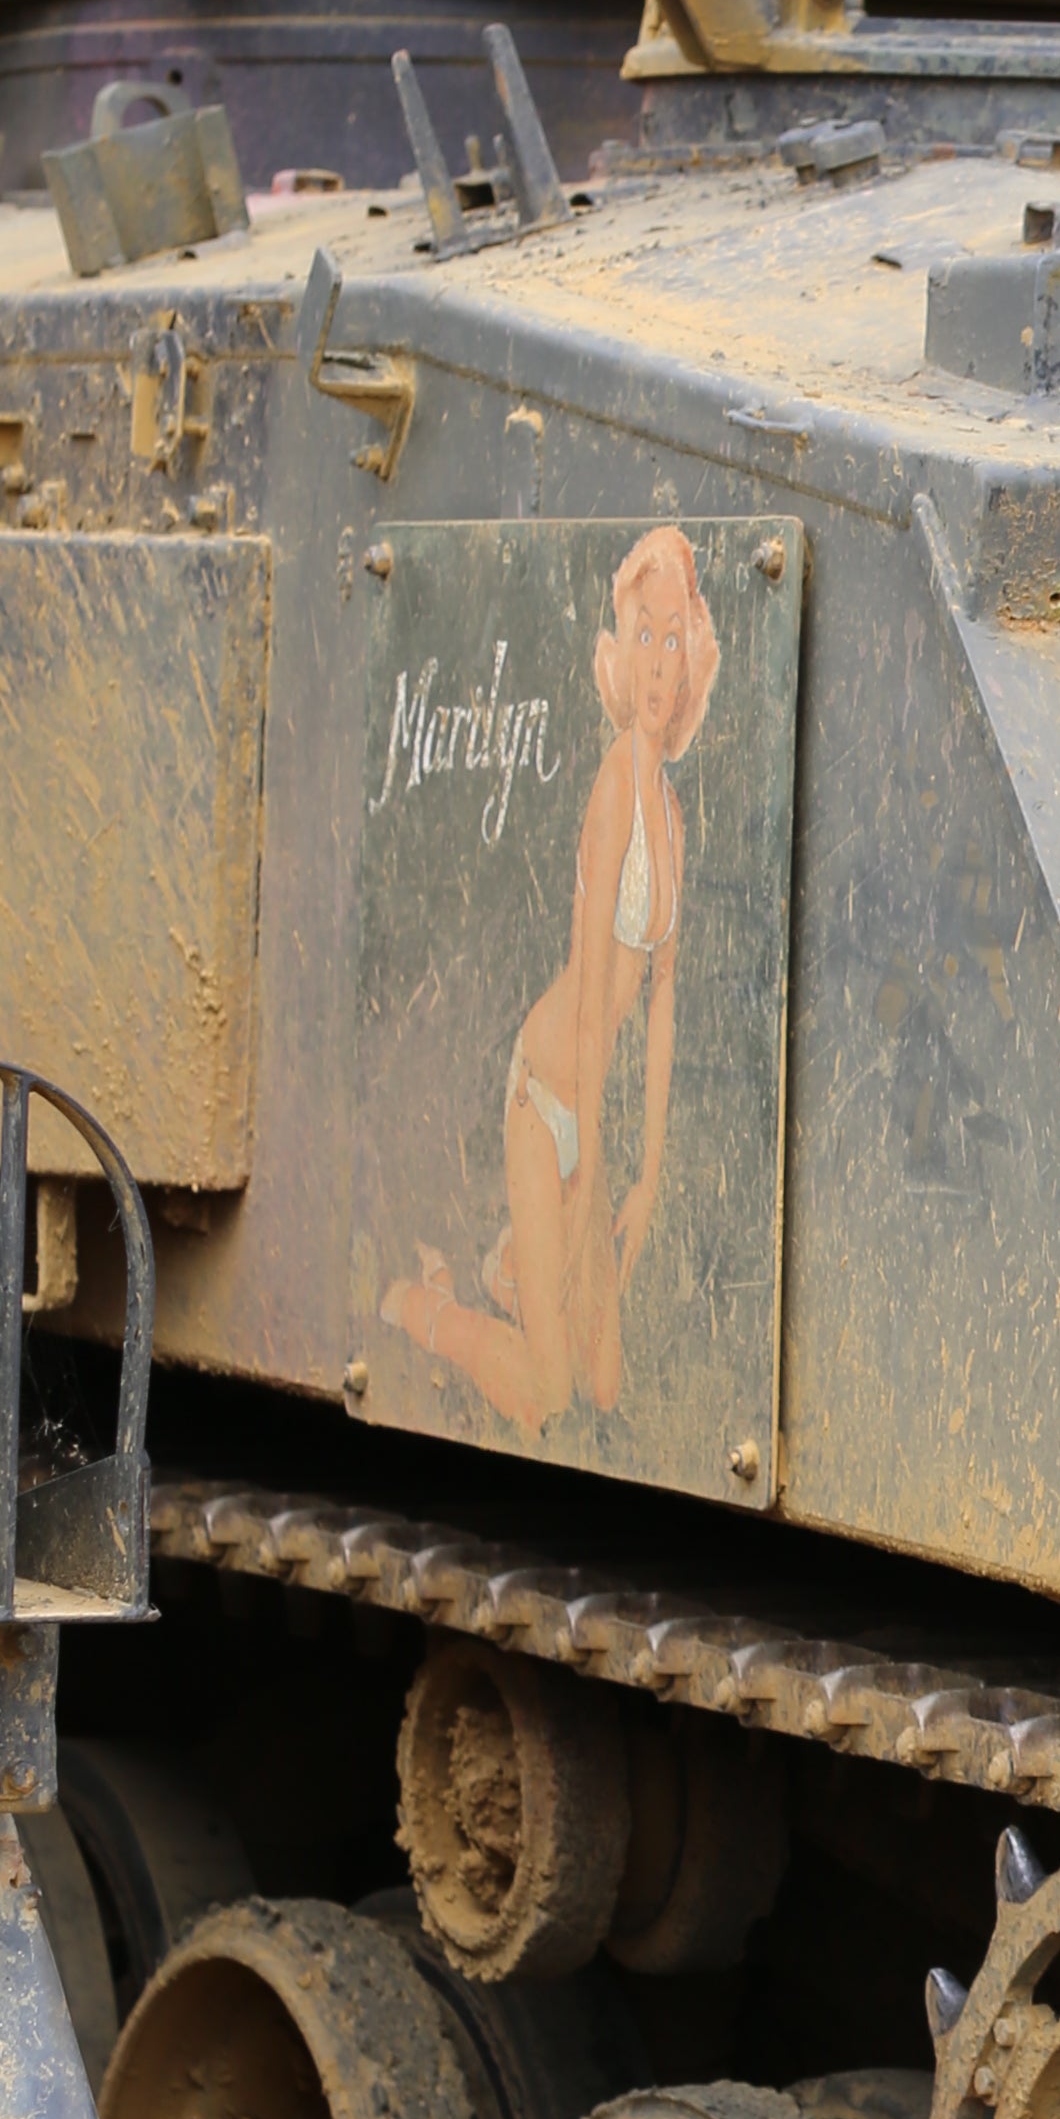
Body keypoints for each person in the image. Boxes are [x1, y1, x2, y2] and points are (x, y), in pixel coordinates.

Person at [381, 520, 717, 1435]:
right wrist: (585, 1162)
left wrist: (641, 1175)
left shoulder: (674, 817)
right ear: (622, 652)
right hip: (551, 1100)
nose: (656, 665)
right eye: (641, 636)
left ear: (692, 661)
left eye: (672, 639)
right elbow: (596, 967)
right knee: (552, 1397)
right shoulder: (614, 784)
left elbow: (661, 1004)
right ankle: (433, 1310)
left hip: (601, 1114)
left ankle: (511, 1274)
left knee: (607, 1384)